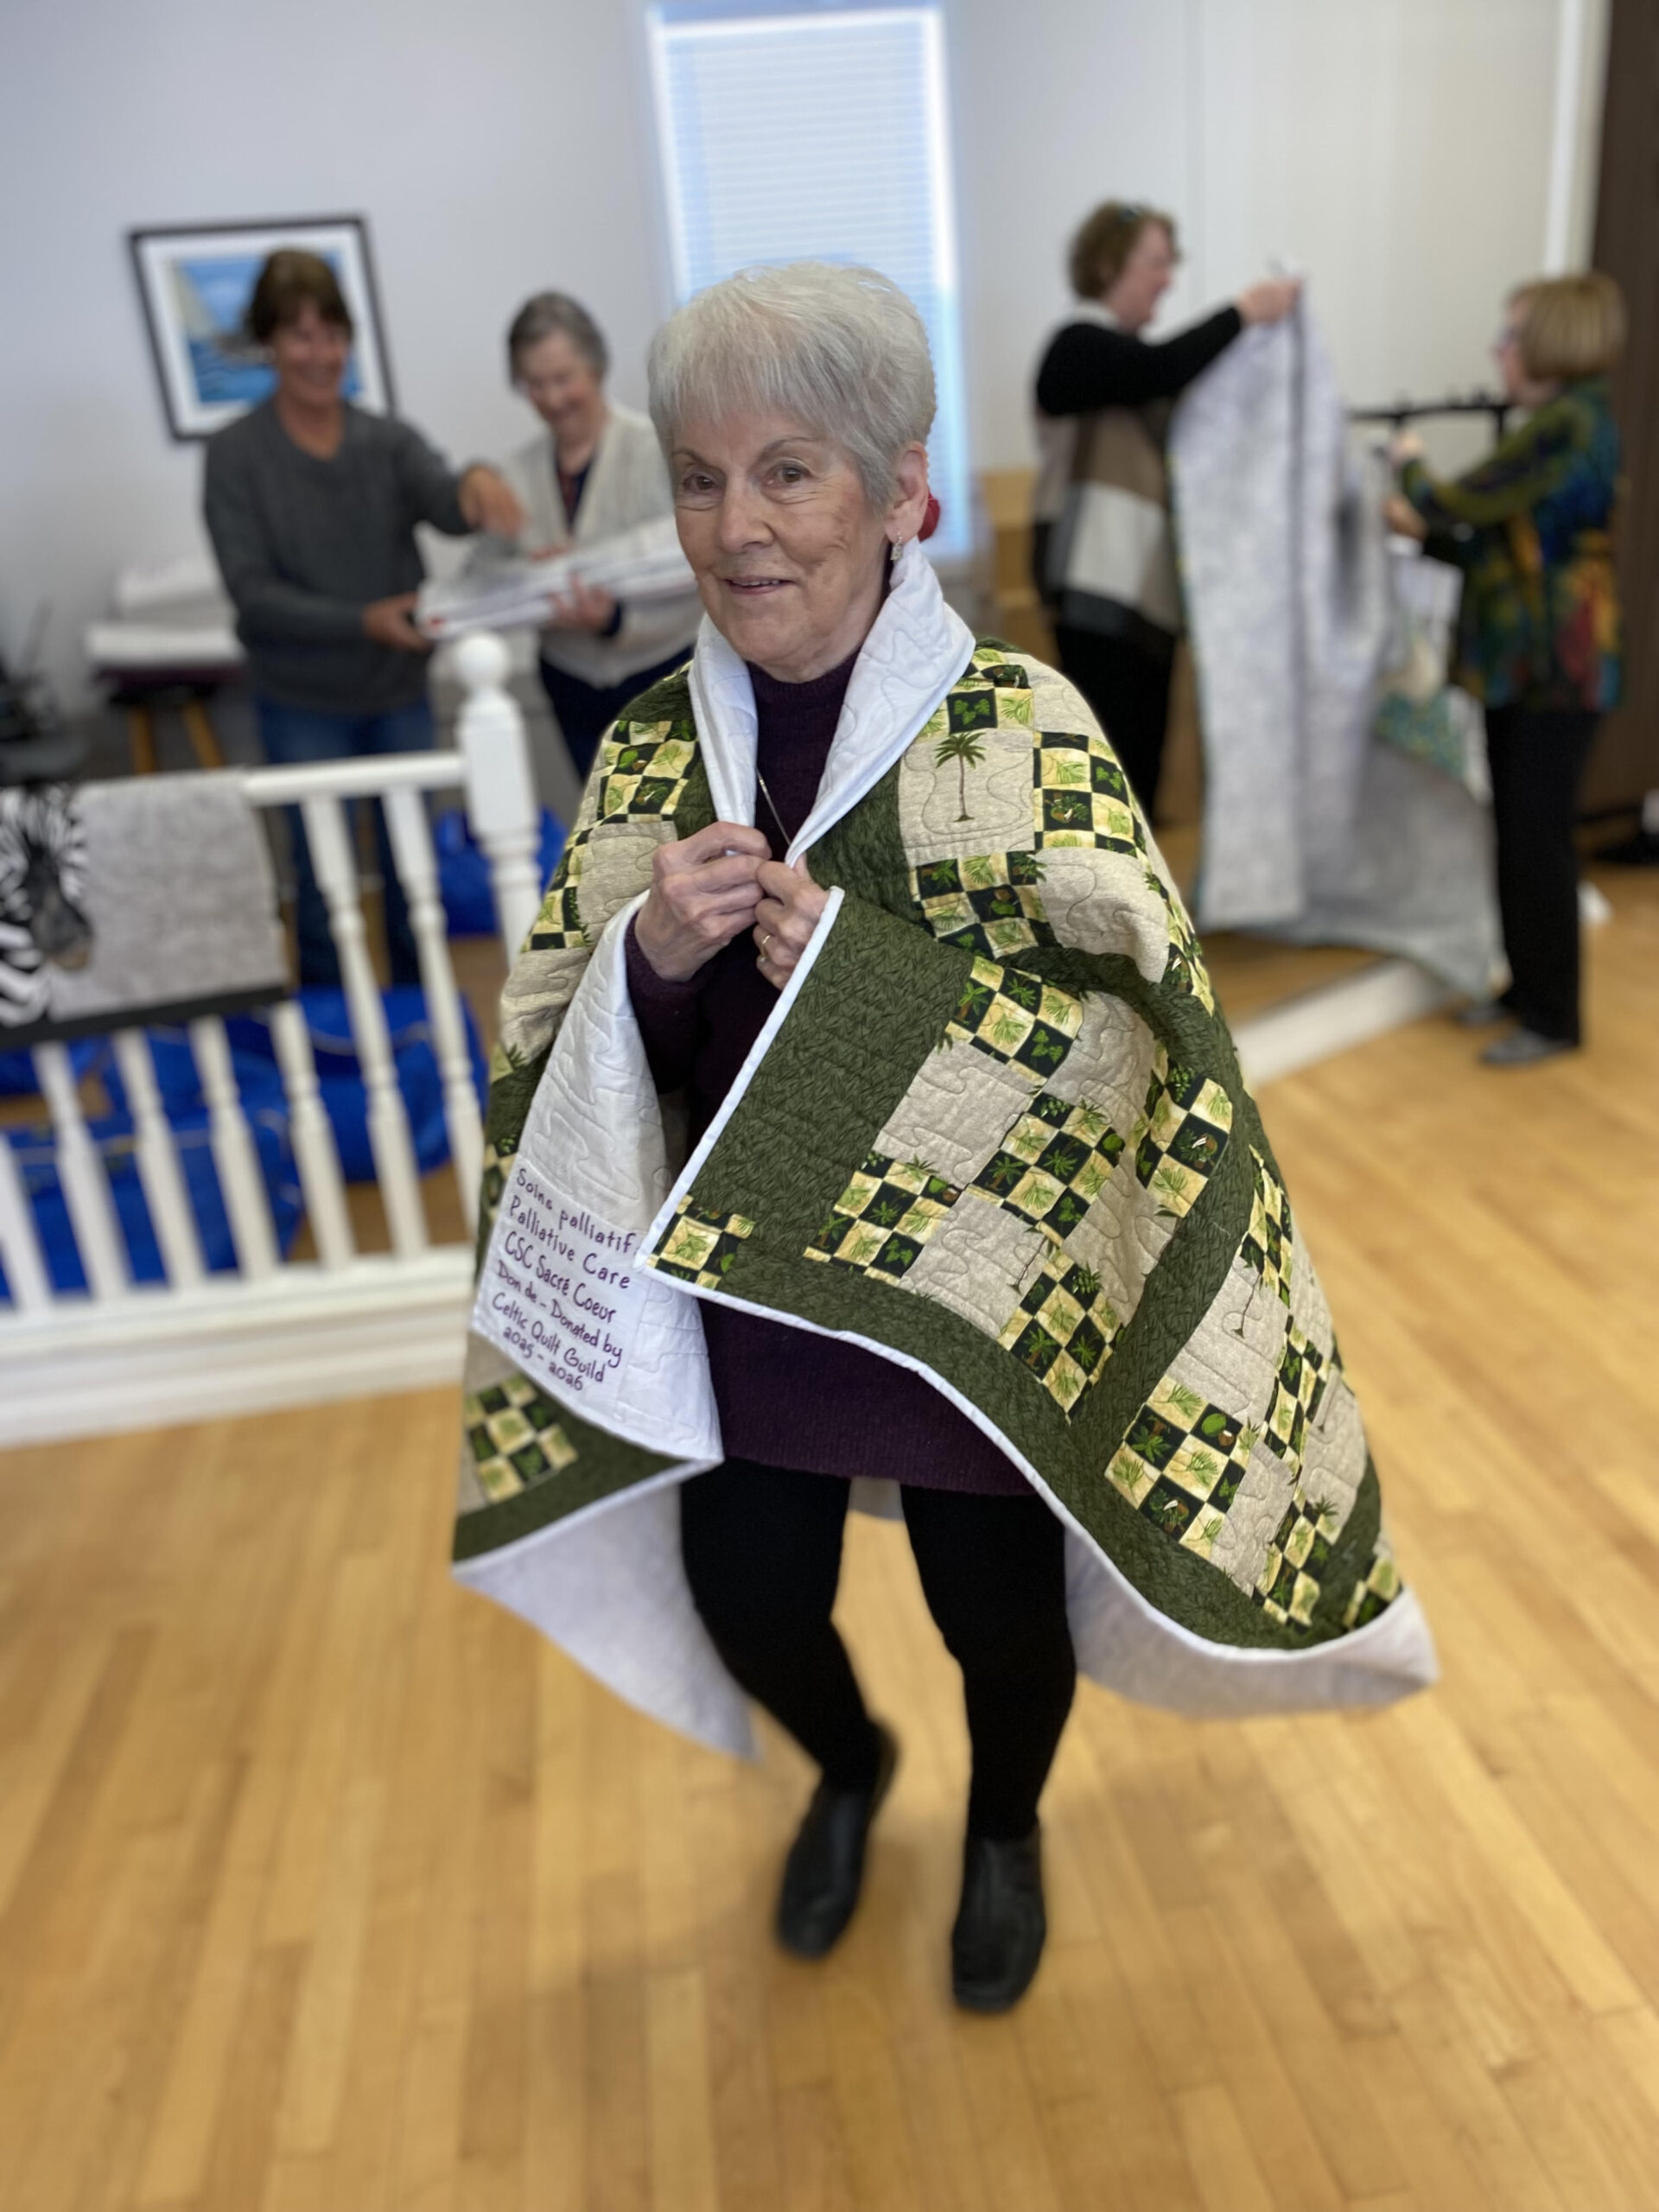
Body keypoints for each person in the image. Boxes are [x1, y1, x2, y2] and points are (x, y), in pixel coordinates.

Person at [457, 261, 1433, 2016]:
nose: (738, 526)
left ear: (901, 487)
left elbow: (1134, 1047)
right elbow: (569, 1056)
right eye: (699, 475)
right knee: (749, 1596)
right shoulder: (649, 750)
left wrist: (852, 971)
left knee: (1002, 1620)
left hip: (976, 1296)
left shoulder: (1029, 731)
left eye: (790, 471)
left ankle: (1005, 1824)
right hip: (745, 1283)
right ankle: (848, 1766)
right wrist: (651, 961)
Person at [203, 249, 524, 987]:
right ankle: (334, 1031)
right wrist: (363, 621)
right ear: (271, 346)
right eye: (301, 336)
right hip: (301, 705)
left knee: (414, 878)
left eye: (333, 334)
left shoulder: (385, 440)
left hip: (396, 695)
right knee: (319, 886)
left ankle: (422, 1015)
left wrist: (477, 481)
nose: (321, 354)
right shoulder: (236, 456)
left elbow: (447, 502)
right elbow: (252, 594)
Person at [1389, 272, 1624, 1067]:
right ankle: (1526, 990)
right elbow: (1488, 538)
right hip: (1523, 669)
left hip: (1558, 670)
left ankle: (1554, 1017)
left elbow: (1460, 503)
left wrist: (1411, 468)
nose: (1498, 349)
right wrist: (1420, 526)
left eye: (1511, 334)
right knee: (1518, 836)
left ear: (1553, 340)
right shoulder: (1556, 427)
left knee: (1539, 841)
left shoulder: (1567, 424)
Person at [1032, 200, 1300, 817]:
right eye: (1155, 262)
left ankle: (1144, 910)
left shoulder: (1120, 358)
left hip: (1142, 593)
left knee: (1140, 776)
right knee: (1108, 779)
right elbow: (1156, 369)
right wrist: (1243, 313)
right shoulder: (1076, 347)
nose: (1168, 278)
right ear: (1107, 265)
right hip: (1094, 592)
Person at [493, 293, 702, 782]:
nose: (551, 398)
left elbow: (698, 563)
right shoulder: (514, 474)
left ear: (597, 367)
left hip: (663, 669)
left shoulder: (659, 449)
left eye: (563, 379)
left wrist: (614, 616)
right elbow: (487, 574)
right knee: (602, 834)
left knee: (677, 824)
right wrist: (529, 572)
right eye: (534, 384)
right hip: (569, 684)